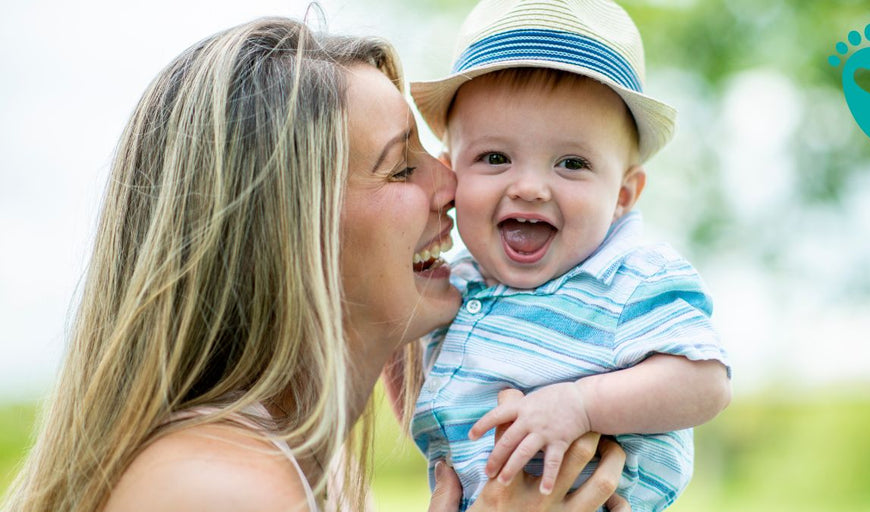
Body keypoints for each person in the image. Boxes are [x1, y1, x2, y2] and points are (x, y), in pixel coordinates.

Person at [0, 17, 631, 512]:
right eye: (403, 165)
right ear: (290, 231)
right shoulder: (223, 491)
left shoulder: (312, 478)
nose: (455, 185)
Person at [398, 1, 733, 510]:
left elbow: (705, 383)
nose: (530, 187)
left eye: (571, 163)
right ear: (452, 173)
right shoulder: (458, 284)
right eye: (495, 157)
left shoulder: (630, 280)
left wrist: (581, 404)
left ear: (623, 194)